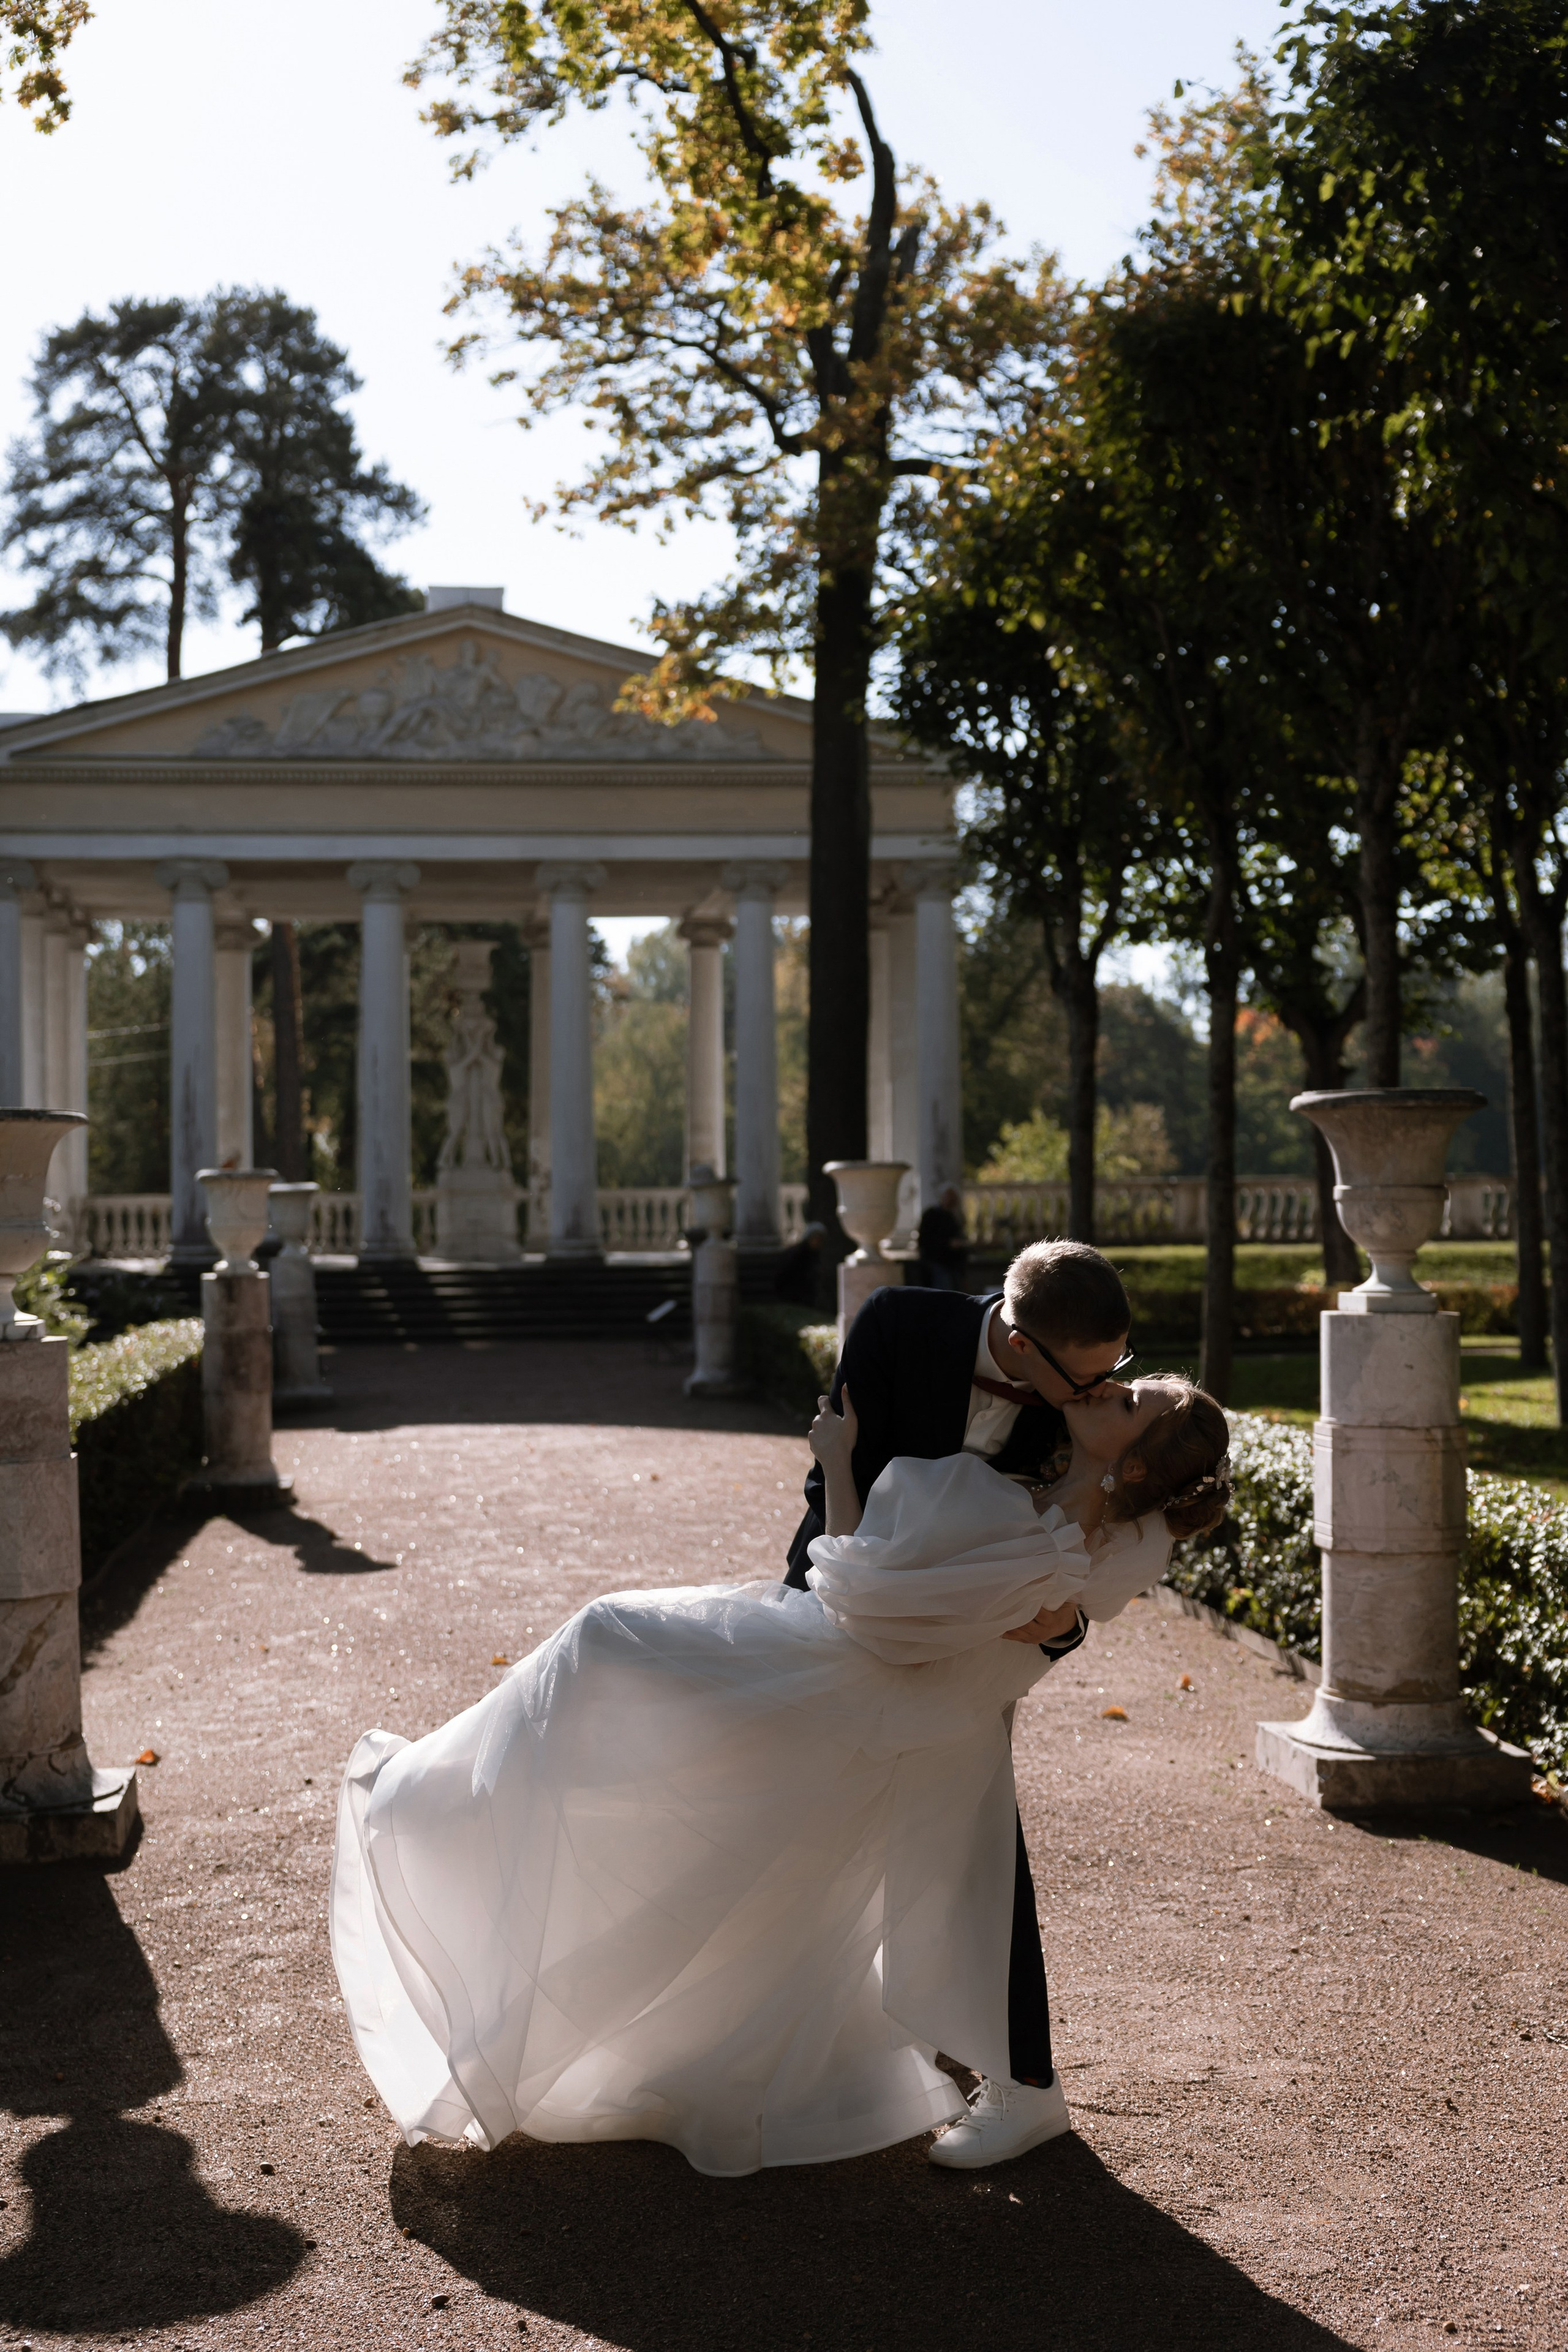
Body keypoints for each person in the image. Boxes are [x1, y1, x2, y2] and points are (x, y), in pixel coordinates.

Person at [328, 1344, 1231, 2182]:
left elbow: (854, 1592)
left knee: (608, 1650)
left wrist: (842, 1464)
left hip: (846, 1686)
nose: (1104, 1386)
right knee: (700, 1828)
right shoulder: (1053, 1515)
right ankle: (460, 1824)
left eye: (1126, 1398)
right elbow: (872, 1587)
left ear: (1138, 1464)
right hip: (861, 1681)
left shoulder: (1059, 1550)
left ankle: (433, 1810)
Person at [785, 1237, 1150, 2165]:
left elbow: (1100, 1552)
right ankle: (822, 2044)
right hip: (840, 1605)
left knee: (977, 1835)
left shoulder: (1095, 1412)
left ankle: (1028, 2082)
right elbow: (834, 1487)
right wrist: (827, 1624)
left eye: (1119, 1368)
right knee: (797, 1826)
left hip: (976, 1652)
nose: (1108, 1393)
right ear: (1024, 1346)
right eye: (1091, 1377)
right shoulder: (899, 1325)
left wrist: (1057, 1627)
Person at [915, 1184, 970, 1290]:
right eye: (949, 1197)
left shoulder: (955, 1216)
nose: (952, 1200)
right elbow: (925, 1240)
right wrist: (948, 1243)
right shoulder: (932, 1215)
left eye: (954, 1198)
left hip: (954, 1264)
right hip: (938, 1263)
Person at [772, 1220, 827, 1306]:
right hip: (793, 1296)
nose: (819, 1243)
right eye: (817, 1239)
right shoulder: (797, 1254)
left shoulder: (814, 1254)